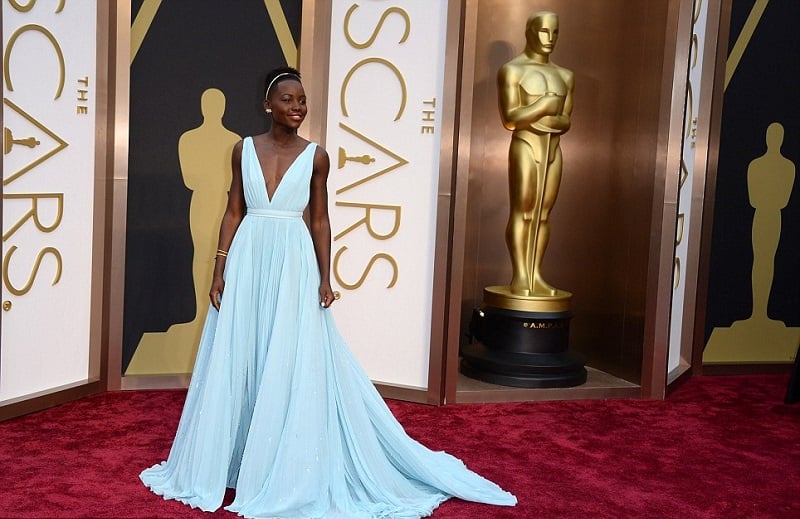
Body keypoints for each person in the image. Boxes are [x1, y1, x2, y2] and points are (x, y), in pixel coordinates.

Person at [139, 66, 517, 518]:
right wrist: (219, 268)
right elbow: (233, 210)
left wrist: (325, 276)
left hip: (293, 262)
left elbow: (318, 219)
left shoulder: (317, 157)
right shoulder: (242, 150)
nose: (298, 107)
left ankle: (279, 465)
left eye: (302, 100)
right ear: (267, 105)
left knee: (289, 354)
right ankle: (239, 458)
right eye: (288, 99)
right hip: (249, 256)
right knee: (243, 351)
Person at [498, 11, 574, 297]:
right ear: (529, 32)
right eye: (543, 31)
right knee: (524, 211)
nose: (549, 39)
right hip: (526, 147)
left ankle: (536, 275)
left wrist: (542, 116)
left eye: (555, 32)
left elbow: (566, 121)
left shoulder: (565, 76)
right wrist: (544, 106)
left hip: (553, 149)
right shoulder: (512, 70)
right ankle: (520, 276)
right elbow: (510, 118)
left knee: (543, 214)